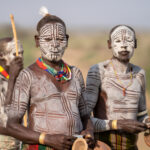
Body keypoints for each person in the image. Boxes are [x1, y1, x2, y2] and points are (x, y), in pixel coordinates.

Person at [6, 7, 93, 150]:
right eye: (47, 39)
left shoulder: (75, 74)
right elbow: (12, 125)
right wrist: (47, 139)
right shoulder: (28, 75)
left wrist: (89, 132)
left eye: (60, 39)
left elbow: (85, 116)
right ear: (37, 41)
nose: (54, 45)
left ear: (67, 40)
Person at [85, 25, 150, 150]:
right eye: (118, 41)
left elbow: (142, 114)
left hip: (131, 146)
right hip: (103, 146)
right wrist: (118, 124)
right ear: (109, 44)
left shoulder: (139, 73)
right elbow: (85, 118)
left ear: (135, 44)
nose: (124, 45)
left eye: (129, 41)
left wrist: (147, 122)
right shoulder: (98, 71)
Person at [0, 37, 23, 149]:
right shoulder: (10, 78)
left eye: (22, 53)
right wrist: (12, 78)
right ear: (1, 56)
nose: (20, 58)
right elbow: (5, 120)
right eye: (15, 54)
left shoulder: (21, 78)